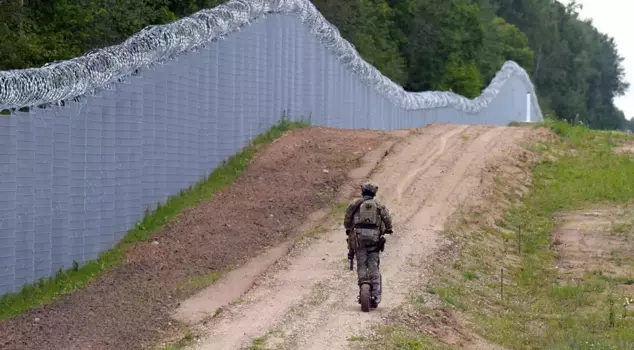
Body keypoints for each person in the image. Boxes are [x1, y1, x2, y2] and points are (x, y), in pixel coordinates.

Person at [343, 183, 393, 308]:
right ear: (374, 194)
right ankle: (375, 295)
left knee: (361, 263)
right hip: (374, 240)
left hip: (358, 240)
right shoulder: (379, 205)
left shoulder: (355, 204)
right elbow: (387, 219)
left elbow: (347, 220)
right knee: (373, 265)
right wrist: (388, 229)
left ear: (363, 192)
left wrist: (349, 229)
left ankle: (363, 286)